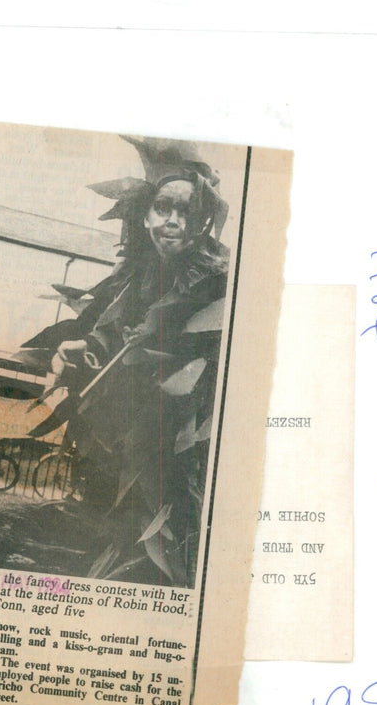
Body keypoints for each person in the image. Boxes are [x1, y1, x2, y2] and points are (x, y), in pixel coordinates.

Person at [23, 137, 230, 587]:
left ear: (203, 221)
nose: (172, 221)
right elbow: (113, 328)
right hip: (119, 446)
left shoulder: (216, 281)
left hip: (177, 447)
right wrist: (79, 349)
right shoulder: (136, 275)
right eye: (163, 207)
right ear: (144, 212)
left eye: (186, 211)